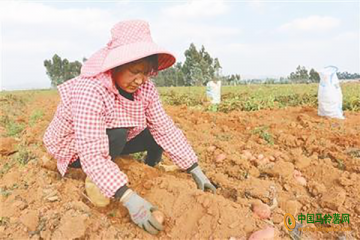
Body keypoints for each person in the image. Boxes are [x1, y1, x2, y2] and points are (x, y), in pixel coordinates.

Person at [43, 20, 216, 235]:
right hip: (76, 147)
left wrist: (195, 169)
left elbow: (164, 128)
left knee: (152, 133)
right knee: (116, 134)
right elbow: (91, 150)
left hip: (112, 137)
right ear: (116, 65)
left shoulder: (146, 89)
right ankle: (98, 182)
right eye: (135, 71)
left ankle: (151, 168)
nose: (140, 80)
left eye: (146, 73)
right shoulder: (90, 89)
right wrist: (129, 198)